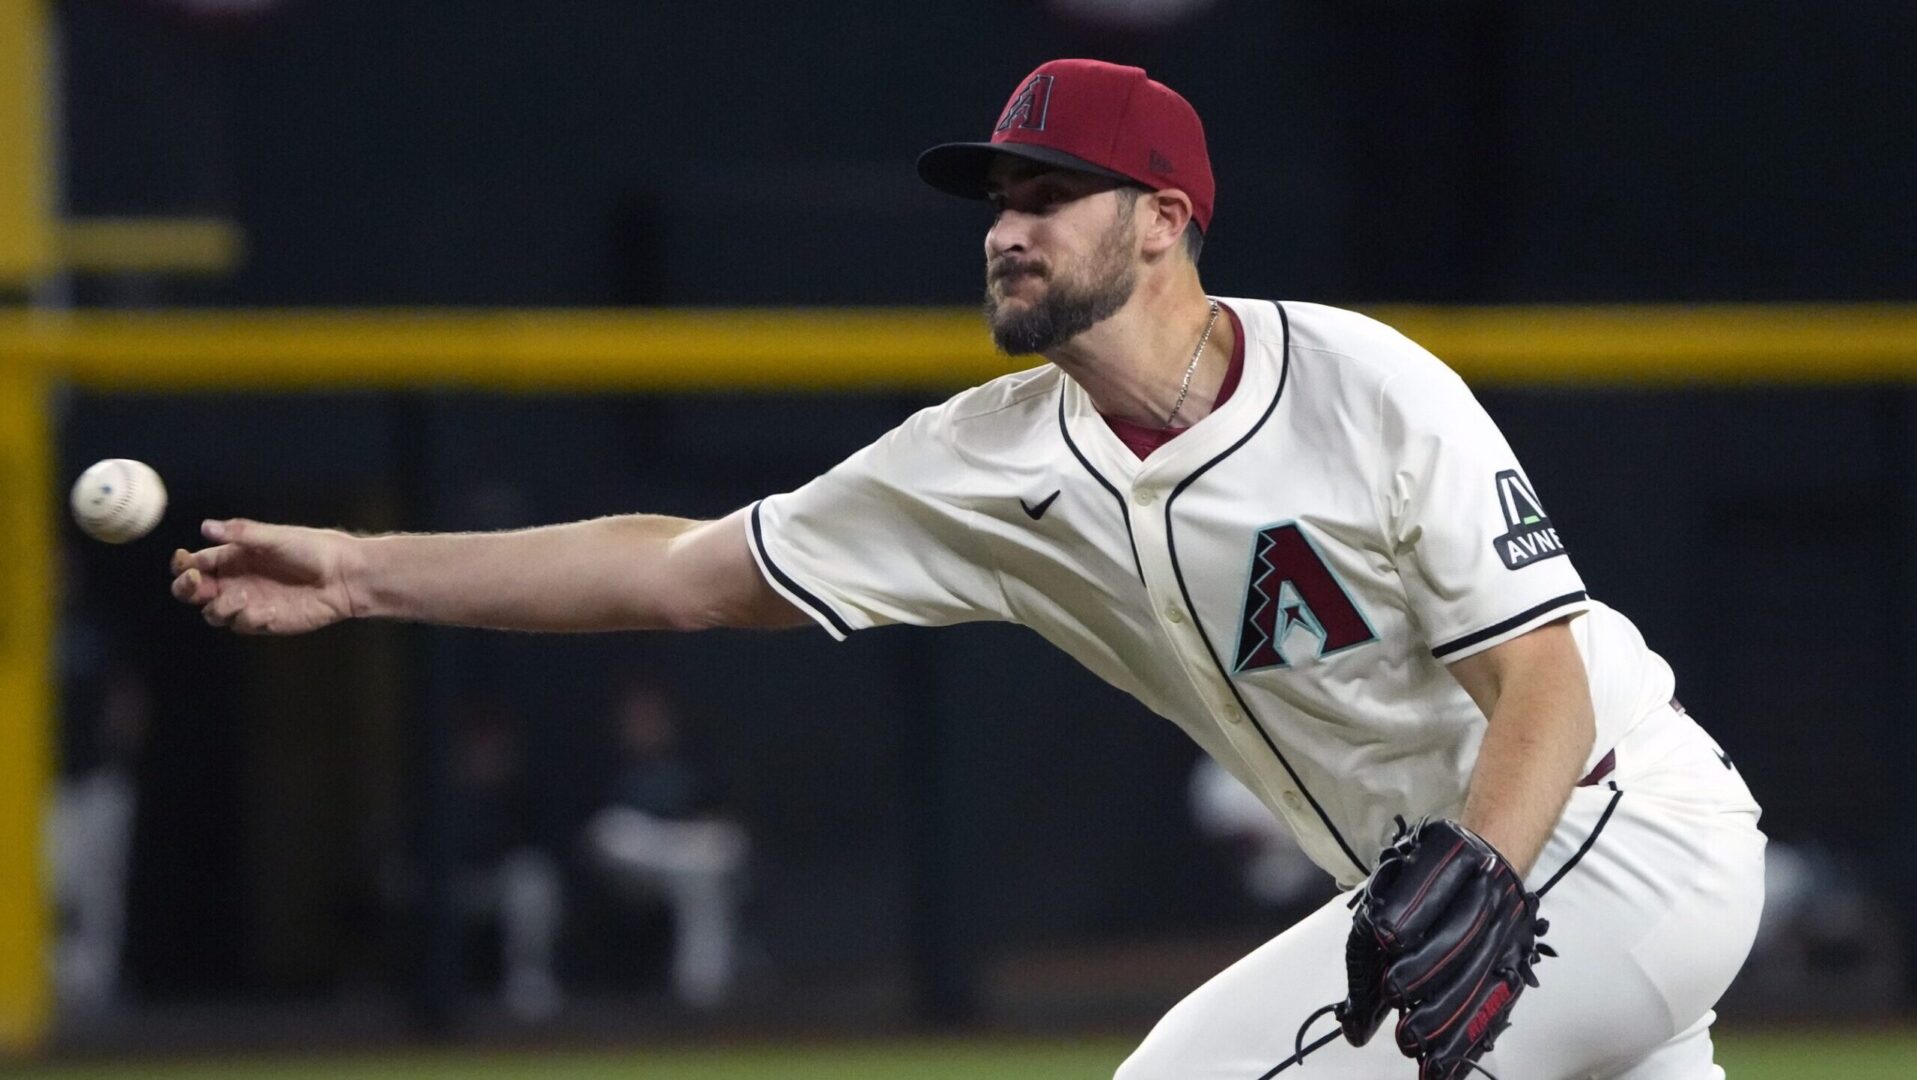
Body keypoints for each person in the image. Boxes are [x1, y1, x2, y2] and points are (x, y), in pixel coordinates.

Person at [169, 58, 1764, 1079]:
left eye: (1045, 196)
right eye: (996, 201)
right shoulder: (985, 456)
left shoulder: (1360, 384)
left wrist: (1483, 872)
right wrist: (367, 571)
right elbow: (676, 571)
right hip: (1470, 891)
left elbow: (1539, 676)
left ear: (1160, 220)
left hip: (1614, 838)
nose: (1005, 228)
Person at [583, 677, 748, 1010]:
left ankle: (701, 997)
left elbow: (718, 822)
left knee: (710, 866)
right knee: (614, 831)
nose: (646, 726)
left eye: (653, 717)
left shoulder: (692, 763)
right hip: (629, 868)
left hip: (684, 861)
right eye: (638, 718)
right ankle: (682, 859)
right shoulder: (604, 764)